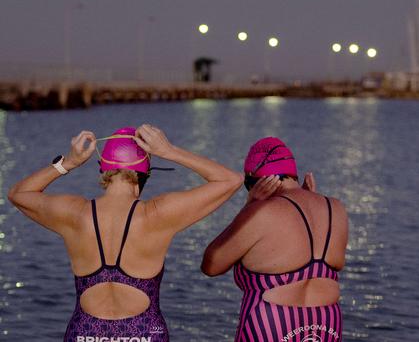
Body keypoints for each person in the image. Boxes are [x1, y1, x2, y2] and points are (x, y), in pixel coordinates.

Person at [8, 124, 243, 342]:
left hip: (85, 332)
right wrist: (170, 151)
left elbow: (19, 194)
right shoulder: (157, 215)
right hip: (145, 331)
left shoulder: (76, 214)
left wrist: (67, 163)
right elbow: (230, 180)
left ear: (103, 171)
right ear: (145, 174)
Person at [201, 137, 348, 342]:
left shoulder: (261, 212)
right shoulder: (336, 209)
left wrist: (249, 207)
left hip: (271, 322)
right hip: (326, 325)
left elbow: (211, 264)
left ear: (258, 183)